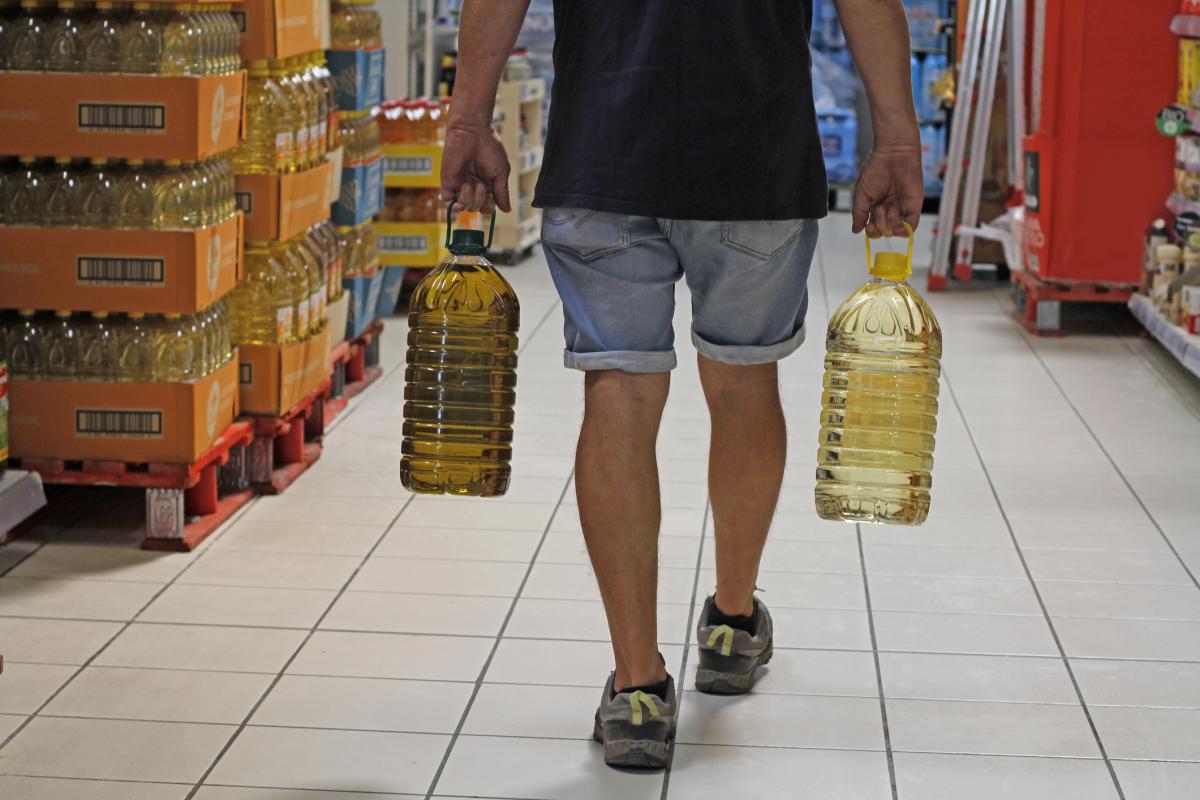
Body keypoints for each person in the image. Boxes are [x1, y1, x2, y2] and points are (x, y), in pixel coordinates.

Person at [441, 0, 923, 770]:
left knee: (619, 391)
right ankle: (732, 623)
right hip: (754, 155)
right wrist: (896, 138)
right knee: (743, 382)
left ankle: (637, 689)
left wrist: (468, 120)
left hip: (603, 150)